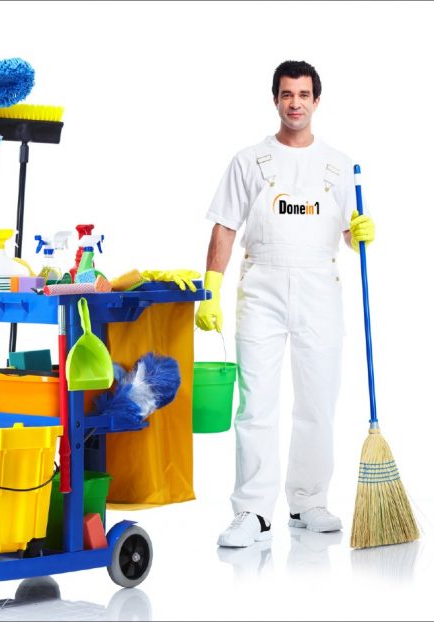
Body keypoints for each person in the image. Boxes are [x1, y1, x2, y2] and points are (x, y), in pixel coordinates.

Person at [195, 60, 375, 548]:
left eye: (303, 94)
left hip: (321, 290)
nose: (295, 103)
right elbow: (225, 226)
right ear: (275, 99)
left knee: (318, 401)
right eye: (287, 94)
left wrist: (360, 234)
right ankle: (253, 510)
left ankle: (308, 501)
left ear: (317, 101)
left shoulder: (339, 166)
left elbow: (348, 234)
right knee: (256, 404)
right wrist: (211, 289)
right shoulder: (249, 161)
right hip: (262, 290)